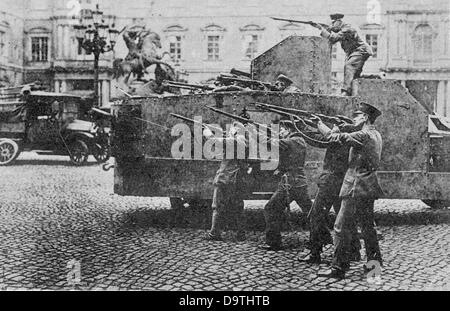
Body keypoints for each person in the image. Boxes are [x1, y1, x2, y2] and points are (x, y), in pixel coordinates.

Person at [312, 102, 384, 279]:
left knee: (340, 227)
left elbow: (335, 137)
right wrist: (346, 127)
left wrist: (320, 124)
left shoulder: (363, 134)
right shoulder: (375, 134)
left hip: (355, 186)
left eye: (358, 116)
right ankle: (374, 265)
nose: (354, 119)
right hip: (369, 186)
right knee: (368, 227)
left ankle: (338, 268)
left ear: (366, 118)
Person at [296, 122, 362, 264]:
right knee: (345, 218)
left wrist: (303, 126)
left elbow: (317, 139)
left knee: (316, 215)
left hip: (330, 182)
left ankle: (315, 253)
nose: (333, 127)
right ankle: (354, 251)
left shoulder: (337, 139)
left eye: (336, 125)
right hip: (341, 182)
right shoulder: (347, 138)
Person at [259, 120, 312, 251]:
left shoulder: (293, 141)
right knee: (311, 212)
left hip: (290, 183)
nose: (280, 132)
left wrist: (256, 132)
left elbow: (269, 143)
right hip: (298, 182)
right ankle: (324, 237)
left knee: (270, 209)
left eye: (282, 130)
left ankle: (273, 242)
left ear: (289, 130)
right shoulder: (298, 141)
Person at [203, 122, 250, 242]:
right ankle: (241, 234)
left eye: (232, 129)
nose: (229, 131)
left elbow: (217, 141)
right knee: (238, 207)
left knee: (217, 206)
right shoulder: (242, 140)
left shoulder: (237, 141)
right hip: (237, 179)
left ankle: (214, 234)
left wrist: (208, 134)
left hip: (226, 178)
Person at [313, 14, 373, 96]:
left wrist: (321, 28)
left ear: (339, 21)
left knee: (349, 66)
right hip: (354, 52)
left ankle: (346, 91)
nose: (332, 25)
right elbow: (332, 36)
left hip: (360, 50)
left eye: (333, 23)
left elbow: (333, 38)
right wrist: (328, 29)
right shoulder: (341, 29)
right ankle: (354, 92)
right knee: (354, 73)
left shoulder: (347, 29)